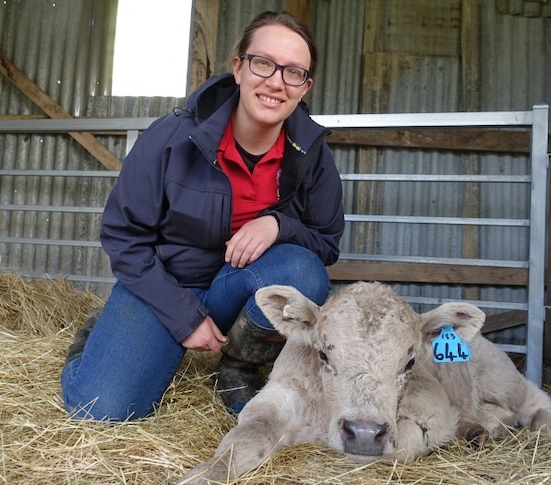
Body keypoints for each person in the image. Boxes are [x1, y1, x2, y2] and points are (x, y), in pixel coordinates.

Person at [60, 10, 345, 421]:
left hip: (236, 282)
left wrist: (277, 224)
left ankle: (238, 367)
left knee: (305, 274)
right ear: (239, 67)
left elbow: (327, 242)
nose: (276, 82)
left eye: (294, 72)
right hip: (165, 284)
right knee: (101, 410)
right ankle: (92, 344)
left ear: (305, 86)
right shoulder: (173, 136)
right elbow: (124, 237)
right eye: (263, 63)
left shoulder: (311, 154)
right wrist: (182, 316)